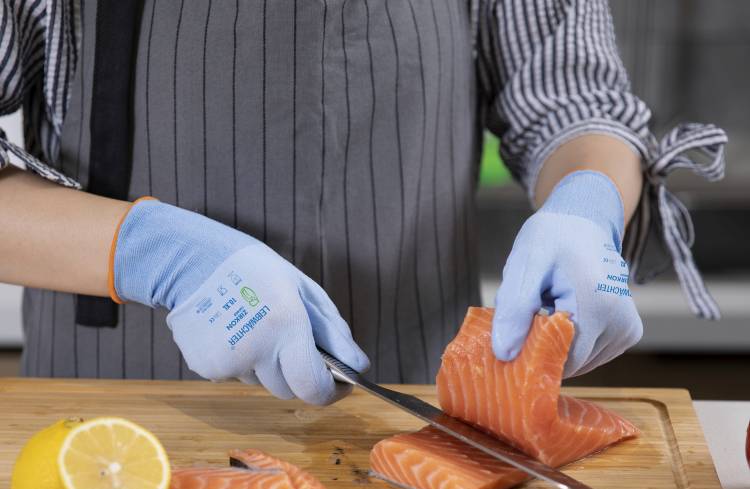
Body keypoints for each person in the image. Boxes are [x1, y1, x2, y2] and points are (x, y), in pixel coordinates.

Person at [0, 0, 726, 404]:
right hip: (116, 411)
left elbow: (572, 96)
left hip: (418, 404)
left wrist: (587, 203)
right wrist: (156, 255)